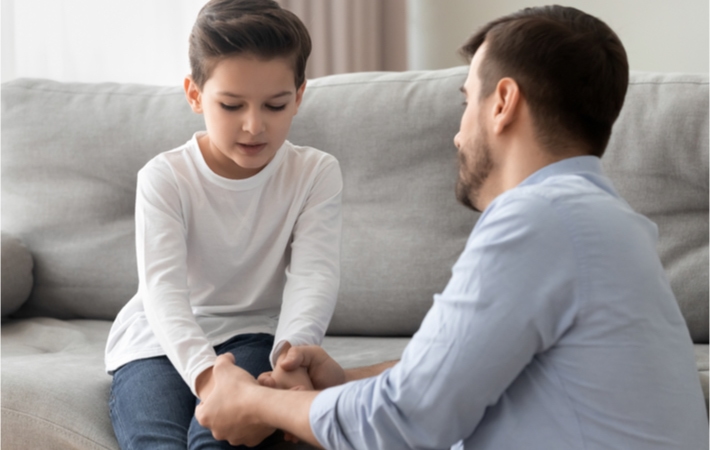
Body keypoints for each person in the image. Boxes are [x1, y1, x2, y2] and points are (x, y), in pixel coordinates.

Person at [194, 5, 709, 449]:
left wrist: (254, 402)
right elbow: (473, 365)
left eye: (468, 102)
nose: (459, 136)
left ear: (502, 103)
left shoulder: (538, 220)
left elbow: (405, 420)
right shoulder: (606, 221)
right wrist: (344, 381)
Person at [103, 0, 343, 448]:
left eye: (276, 105)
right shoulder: (164, 177)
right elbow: (163, 291)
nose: (254, 126)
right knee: (155, 441)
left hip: (254, 335)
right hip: (156, 343)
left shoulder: (315, 173)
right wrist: (209, 376)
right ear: (195, 95)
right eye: (232, 105)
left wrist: (290, 361)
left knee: (217, 442)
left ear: (300, 96)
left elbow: (314, 276)